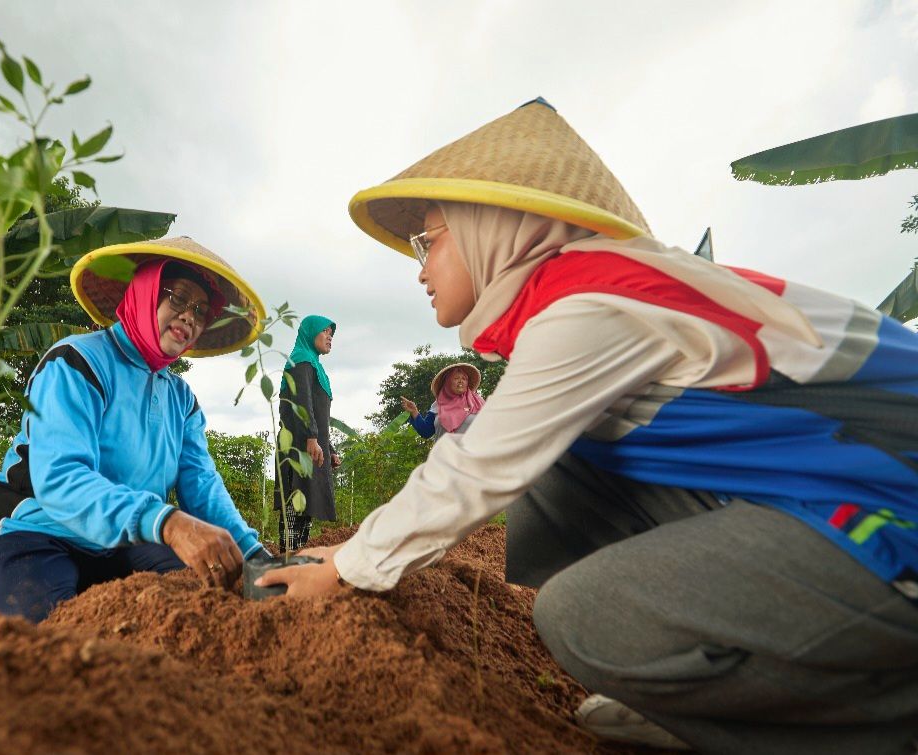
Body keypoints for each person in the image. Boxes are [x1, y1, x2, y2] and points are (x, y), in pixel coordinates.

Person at [256, 98, 918, 754]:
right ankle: (697, 687)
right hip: (827, 489)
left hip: (894, 503)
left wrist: (347, 564)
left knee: (578, 616)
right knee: (567, 464)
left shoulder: (591, 302)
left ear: (491, 223)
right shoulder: (584, 291)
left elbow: (477, 468)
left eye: (429, 241)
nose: (420, 266)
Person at [0, 236, 269, 623]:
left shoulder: (181, 399)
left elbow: (202, 486)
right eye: (178, 298)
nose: (189, 316)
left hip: (123, 543)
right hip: (31, 529)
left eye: (201, 310)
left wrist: (255, 558)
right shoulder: (77, 362)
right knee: (30, 645)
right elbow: (60, 478)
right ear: (144, 291)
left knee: (206, 601)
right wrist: (167, 522)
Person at [274, 315, 340, 552]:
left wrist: (329, 447)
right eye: (324, 331)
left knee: (306, 507)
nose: (330, 336)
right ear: (310, 333)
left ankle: (297, 558)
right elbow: (301, 402)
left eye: (332, 333)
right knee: (295, 505)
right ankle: (287, 560)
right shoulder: (300, 361)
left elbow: (319, 414)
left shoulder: (314, 365)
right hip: (298, 446)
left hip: (312, 445)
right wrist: (312, 437)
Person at [400, 362, 484, 438]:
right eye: (456, 378)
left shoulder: (478, 403)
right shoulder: (437, 405)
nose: (461, 381)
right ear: (447, 382)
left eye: (464, 379)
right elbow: (426, 432)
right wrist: (414, 412)